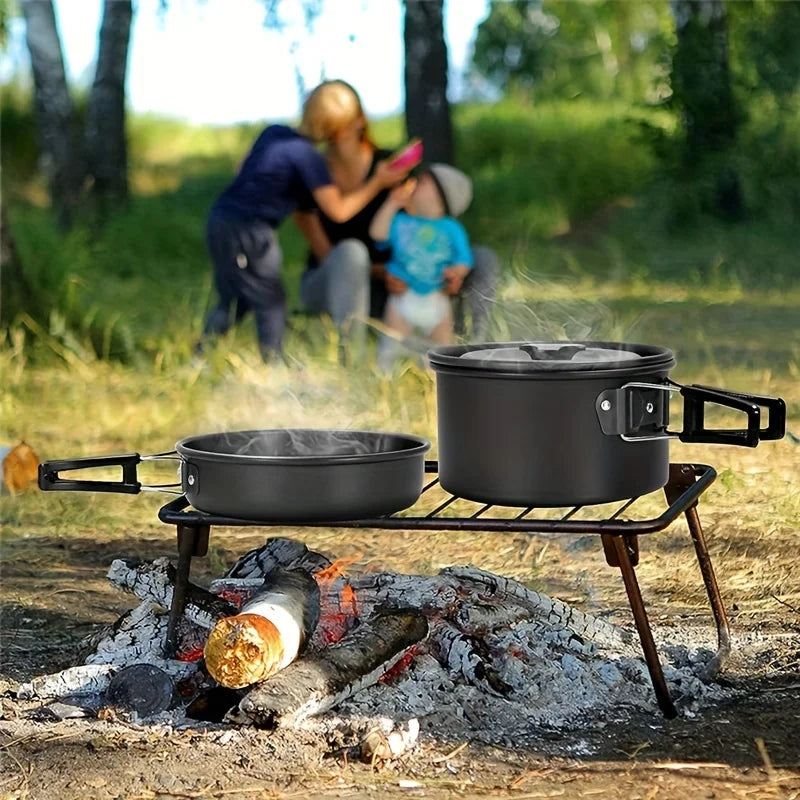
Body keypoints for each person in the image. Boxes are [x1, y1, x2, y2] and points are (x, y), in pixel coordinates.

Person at [201, 80, 408, 360]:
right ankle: (274, 364)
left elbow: (242, 167)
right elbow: (339, 210)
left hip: (221, 218)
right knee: (271, 302)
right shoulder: (309, 158)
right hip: (252, 230)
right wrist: (377, 182)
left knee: (236, 296)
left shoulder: (275, 132)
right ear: (336, 130)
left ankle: (201, 355)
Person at [296, 107, 499, 352]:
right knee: (352, 253)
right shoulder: (311, 170)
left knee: (484, 258)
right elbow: (362, 244)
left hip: (415, 289)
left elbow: (438, 238)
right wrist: (385, 272)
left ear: (360, 123)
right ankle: (352, 353)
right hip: (353, 286)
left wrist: (454, 273)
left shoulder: (394, 169)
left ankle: (473, 350)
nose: (413, 185)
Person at [368, 165, 474, 370]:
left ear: (441, 200)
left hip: (437, 299)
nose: (414, 184)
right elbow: (377, 234)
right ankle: (386, 377)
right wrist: (391, 203)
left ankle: (436, 381)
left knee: (441, 350)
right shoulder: (401, 221)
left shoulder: (452, 228)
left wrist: (456, 273)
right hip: (402, 298)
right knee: (392, 344)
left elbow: (464, 259)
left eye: (423, 182)